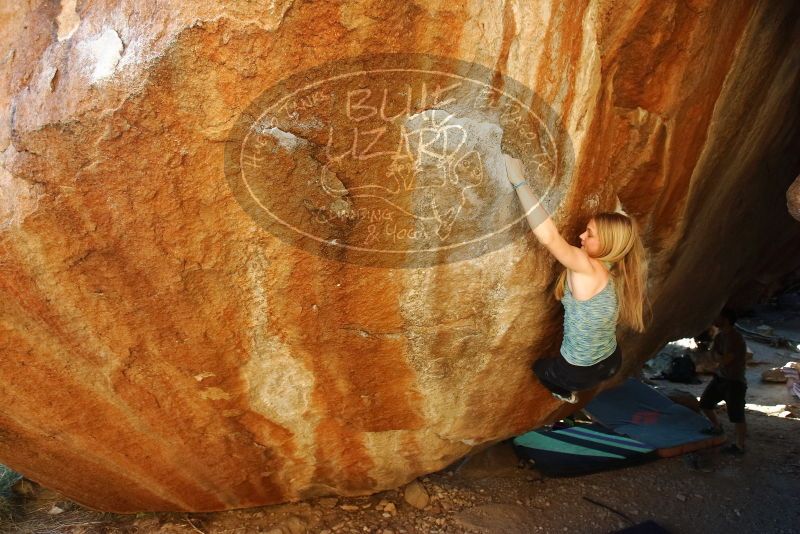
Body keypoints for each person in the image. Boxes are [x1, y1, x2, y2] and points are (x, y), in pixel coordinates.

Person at [503, 154, 647, 403]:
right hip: (612, 360)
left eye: (589, 233)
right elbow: (624, 230)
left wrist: (519, 182)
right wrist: (617, 211)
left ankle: (562, 390)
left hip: (575, 373)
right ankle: (569, 386)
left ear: (608, 242)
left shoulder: (586, 268)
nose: (581, 235)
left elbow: (549, 238)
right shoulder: (614, 263)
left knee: (540, 368)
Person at [699, 308, 748, 455]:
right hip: (720, 378)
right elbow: (712, 356)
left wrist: (718, 359)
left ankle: (740, 446)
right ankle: (717, 427)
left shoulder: (735, 338)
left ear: (726, 319)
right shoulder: (720, 337)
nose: (715, 319)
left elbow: (725, 359)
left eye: (718, 317)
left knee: (737, 415)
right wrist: (718, 359)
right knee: (705, 404)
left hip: (734, 381)